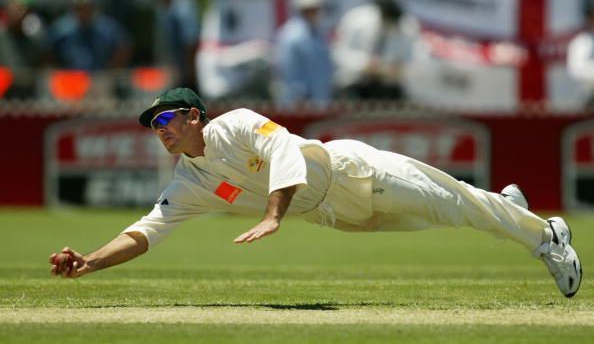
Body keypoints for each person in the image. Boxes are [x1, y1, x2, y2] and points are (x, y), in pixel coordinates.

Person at [49, 87, 582, 298]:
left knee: (453, 202)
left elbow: (284, 153)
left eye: (166, 119)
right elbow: (148, 230)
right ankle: (505, 209)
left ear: (194, 116)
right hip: (337, 216)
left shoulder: (235, 125)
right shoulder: (190, 180)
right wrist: (90, 263)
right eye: (153, 125)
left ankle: (547, 236)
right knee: (452, 214)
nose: (160, 130)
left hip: (353, 170)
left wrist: (275, 215)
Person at [333, 0, 417, 100]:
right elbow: (340, 53)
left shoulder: (405, 27)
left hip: (388, 88)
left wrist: (398, 68)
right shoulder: (357, 20)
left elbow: (411, 60)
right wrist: (365, 64)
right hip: (354, 84)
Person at [274, 0, 333, 108]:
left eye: (316, 9)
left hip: (318, 101)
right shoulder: (290, 35)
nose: (314, 13)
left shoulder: (317, 32)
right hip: (299, 104)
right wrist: (298, 95)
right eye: (309, 9)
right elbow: (288, 69)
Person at [49, 0, 132, 71]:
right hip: (71, 78)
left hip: (101, 77)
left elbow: (125, 47)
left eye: (85, 8)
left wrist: (111, 69)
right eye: (78, 8)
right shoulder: (61, 29)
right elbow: (48, 51)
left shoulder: (107, 27)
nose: (82, 12)